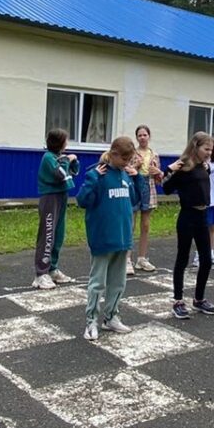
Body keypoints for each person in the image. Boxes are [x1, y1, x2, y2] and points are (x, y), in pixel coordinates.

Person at [77, 135, 141, 339]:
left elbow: (134, 200)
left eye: (129, 160)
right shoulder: (97, 174)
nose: (126, 163)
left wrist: (136, 177)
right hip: (103, 238)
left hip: (122, 238)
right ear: (113, 154)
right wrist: (94, 178)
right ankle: (91, 322)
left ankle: (111, 317)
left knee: (118, 282)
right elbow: (82, 201)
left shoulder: (125, 175)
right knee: (98, 283)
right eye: (123, 159)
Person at [163, 131, 214, 319]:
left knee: (206, 259)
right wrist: (169, 170)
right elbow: (167, 189)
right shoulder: (183, 167)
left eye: (211, 149)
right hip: (187, 216)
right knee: (182, 258)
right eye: (206, 149)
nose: (209, 152)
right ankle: (178, 301)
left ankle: (199, 299)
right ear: (196, 146)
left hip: (203, 215)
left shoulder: (205, 166)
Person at [33, 129, 79, 289]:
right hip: (50, 197)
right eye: (65, 141)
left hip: (61, 196)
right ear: (58, 142)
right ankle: (41, 273)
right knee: (48, 234)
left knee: (58, 234)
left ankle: (52, 269)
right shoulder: (48, 157)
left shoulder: (58, 157)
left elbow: (72, 171)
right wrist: (68, 159)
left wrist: (72, 161)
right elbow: (59, 173)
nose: (67, 144)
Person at [130, 125, 162, 273]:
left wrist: (157, 172)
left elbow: (158, 179)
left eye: (145, 135)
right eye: (140, 135)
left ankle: (142, 258)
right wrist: (135, 166)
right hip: (135, 185)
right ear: (137, 137)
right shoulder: (132, 153)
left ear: (149, 136)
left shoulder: (154, 154)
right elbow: (127, 171)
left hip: (149, 186)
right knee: (131, 224)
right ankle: (127, 259)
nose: (142, 137)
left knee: (146, 225)